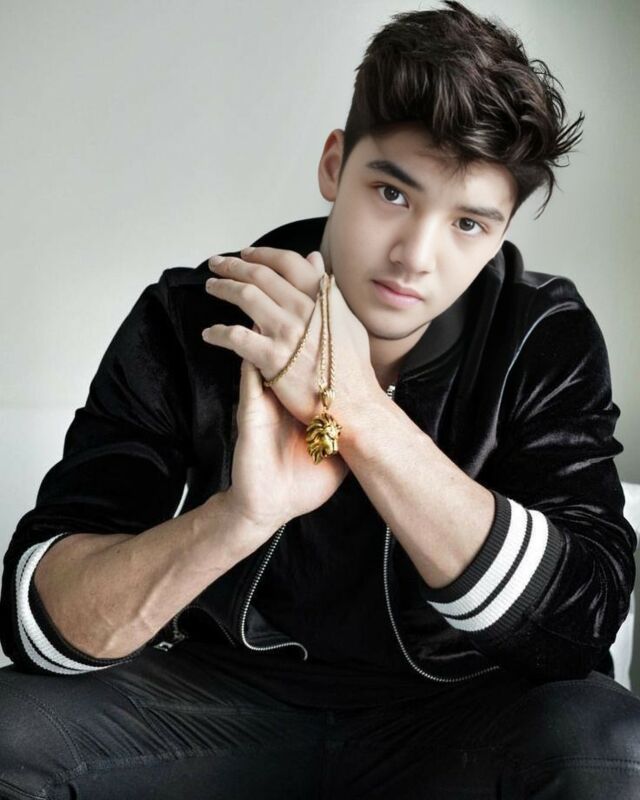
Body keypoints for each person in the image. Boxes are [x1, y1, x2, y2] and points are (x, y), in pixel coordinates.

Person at [1, 2, 639, 797]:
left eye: (469, 224)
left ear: (503, 232)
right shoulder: (192, 316)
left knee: (611, 749)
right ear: (335, 165)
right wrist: (239, 518)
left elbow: (578, 629)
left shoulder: (539, 334)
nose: (416, 257)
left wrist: (360, 414)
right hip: (215, 705)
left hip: (457, 717)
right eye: (393, 193)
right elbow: (40, 623)